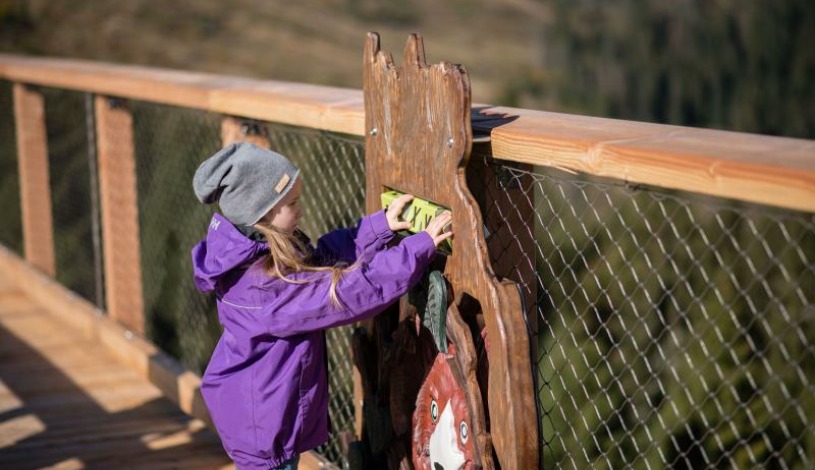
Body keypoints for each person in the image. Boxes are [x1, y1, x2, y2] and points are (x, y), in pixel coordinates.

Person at [190, 142, 452, 470]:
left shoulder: (263, 257)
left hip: (263, 412)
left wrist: (380, 226)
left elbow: (322, 261)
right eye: (292, 203)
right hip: (264, 427)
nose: (300, 210)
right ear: (265, 214)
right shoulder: (266, 286)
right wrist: (417, 248)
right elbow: (344, 293)